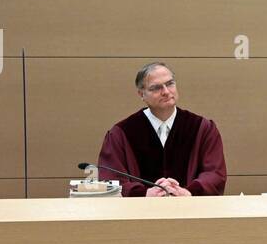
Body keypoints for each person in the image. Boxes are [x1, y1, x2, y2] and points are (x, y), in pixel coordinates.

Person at [97, 62, 227, 197]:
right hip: (138, 214)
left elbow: (215, 173)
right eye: (156, 88)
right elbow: (111, 180)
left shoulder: (202, 128)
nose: (166, 91)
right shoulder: (121, 133)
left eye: (170, 83)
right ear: (141, 94)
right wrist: (144, 194)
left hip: (191, 212)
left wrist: (188, 192)